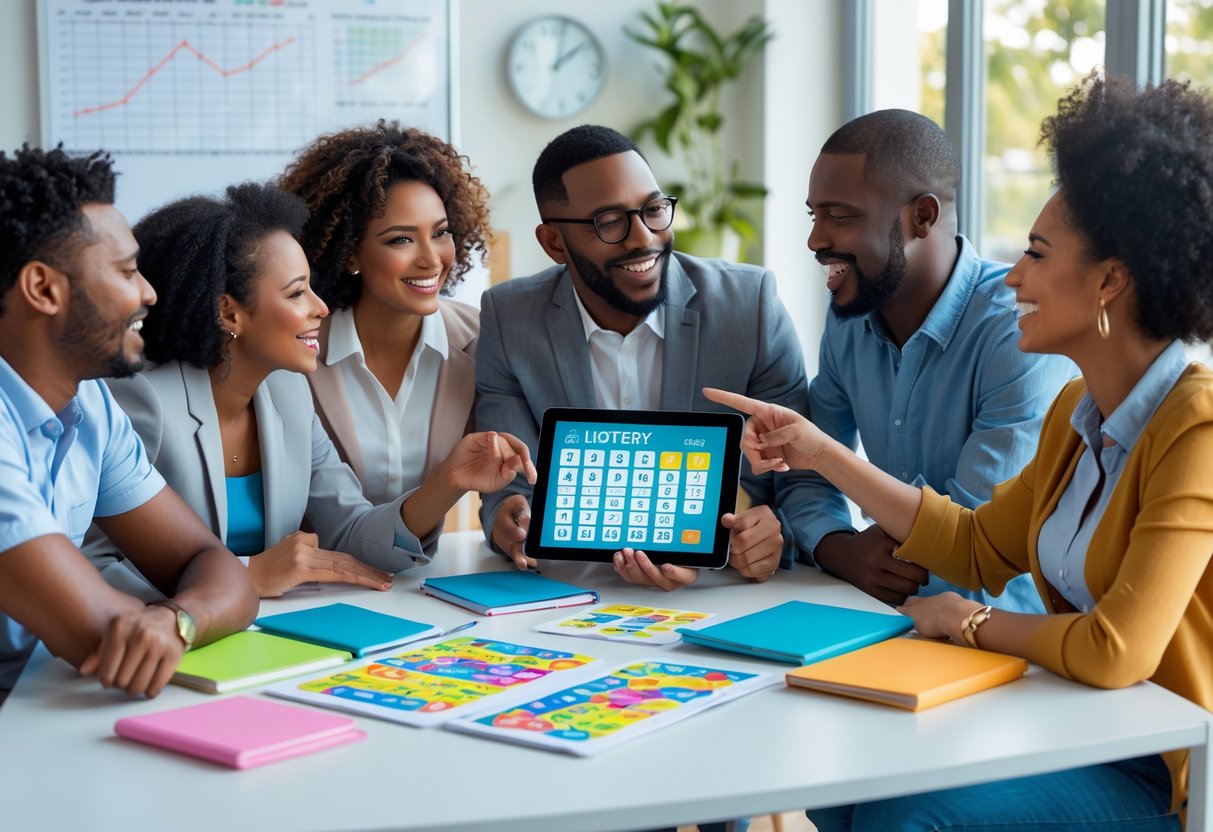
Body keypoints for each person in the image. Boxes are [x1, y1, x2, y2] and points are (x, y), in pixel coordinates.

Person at [706, 71, 1213, 831]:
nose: (1012, 275)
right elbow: (976, 546)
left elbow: (1116, 652)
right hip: (1069, 714)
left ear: (1108, 280)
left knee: (906, 821)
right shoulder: (1078, 414)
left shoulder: (1194, 428)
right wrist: (819, 452)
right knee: (839, 791)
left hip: (1159, 762)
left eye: (1037, 255)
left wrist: (966, 623)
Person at [85, 182, 534, 599]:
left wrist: (448, 481)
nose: (321, 308)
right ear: (229, 313)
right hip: (166, 646)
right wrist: (244, 575)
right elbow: (90, 566)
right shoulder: (141, 399)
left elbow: (351, 532)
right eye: (297, 293)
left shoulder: (287, 393)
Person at [475, 124, 813, 591]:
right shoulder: (509, 318)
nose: (644, 238)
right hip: (568, 592)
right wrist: (508, 520)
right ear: (554, 242)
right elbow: (510, 481)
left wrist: (765, 534)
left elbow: (802, 478)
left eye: (654, 209)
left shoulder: (748, 306)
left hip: (724, 594)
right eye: (610, 222)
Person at [789, 109, 1074, 610]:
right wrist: (841, 549)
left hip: (1005, 638)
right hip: (885, 620)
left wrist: (857, 547)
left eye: (840, 216)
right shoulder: (848, 319)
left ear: (922, 216)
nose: (815, 240)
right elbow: (807, 477)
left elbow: (973, 545)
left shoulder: (1020, 332)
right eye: (814, 216)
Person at [0, 145, 257, 698]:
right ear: (43, 289)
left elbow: (214, 564)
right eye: (126, 272)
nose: (149, 293)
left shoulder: (88, 403)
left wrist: (175, 621)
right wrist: (167, 620)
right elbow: (98, 635)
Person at [279, 122, 489, 556]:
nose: (432, 259)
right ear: (351, 252)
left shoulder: (484, 342)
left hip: (421, 584)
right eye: (401, 240)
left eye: (441, 232)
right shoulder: (296, 350)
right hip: (312, 586)